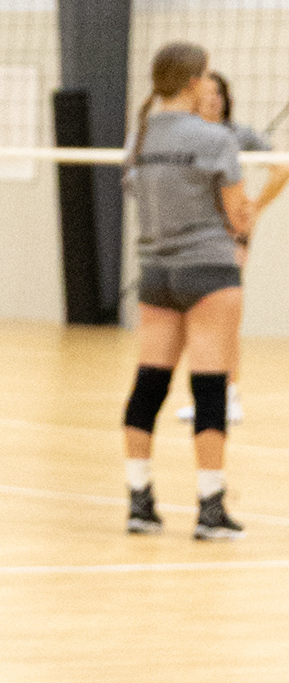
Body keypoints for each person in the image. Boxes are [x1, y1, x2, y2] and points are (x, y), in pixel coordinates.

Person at [124, 40, 251, 540]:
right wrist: (244, 213)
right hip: (208, 270)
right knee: (210, 388)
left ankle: (139, 501)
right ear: (195, 82)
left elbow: (139, 195)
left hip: (156, 272)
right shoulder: (215, 138)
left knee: (149, 384)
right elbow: (237, 214)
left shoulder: (138, 137)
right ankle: (210, 507)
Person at [187, 72, 288, 429]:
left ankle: (230, 395)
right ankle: (207, 398)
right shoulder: (186, 135)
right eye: (207, 92)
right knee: (198, 315)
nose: (214, 98)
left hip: (229, 234)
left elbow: (281, 169)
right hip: (192, 236)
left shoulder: (238, 135)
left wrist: (256, 207)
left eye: (219, 92)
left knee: (225, 315)